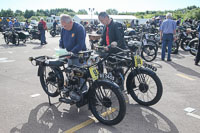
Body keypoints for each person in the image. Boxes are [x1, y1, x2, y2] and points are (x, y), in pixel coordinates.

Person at [59, 14, 87, 102]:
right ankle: (73, 93)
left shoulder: (79, 28)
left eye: (65, 26)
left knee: (81, 76)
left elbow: (80, 44)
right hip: (68, 55)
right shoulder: (63, 29)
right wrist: (61, 49)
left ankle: (84, 96)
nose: (64, 27)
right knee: (71, 75)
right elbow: (61, 40)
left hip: (78, 55)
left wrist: (72, 52)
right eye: (63, 26)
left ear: (71, 22)